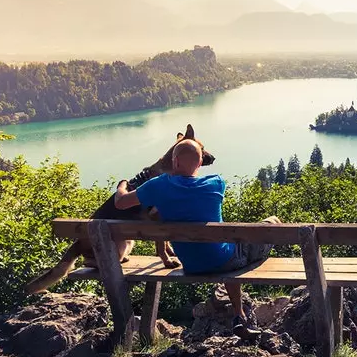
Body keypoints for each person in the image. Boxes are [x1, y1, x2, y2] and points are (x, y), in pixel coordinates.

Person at [113, 136, 277, 337]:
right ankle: (239, 315)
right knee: (271, 223)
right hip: (228, 260)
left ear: (174, 162)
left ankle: (239, 314)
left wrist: (122, 185)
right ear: (200, 163)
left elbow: (120, 203)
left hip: (191, 264)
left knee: (225, 249)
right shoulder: (216, 183)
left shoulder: (157, 186)